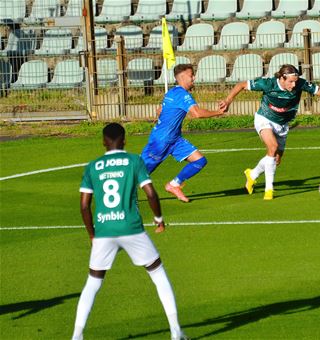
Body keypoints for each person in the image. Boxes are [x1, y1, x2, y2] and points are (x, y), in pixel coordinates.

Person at [72, 123, 187, 340]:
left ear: (104, 142)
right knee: (158, 274)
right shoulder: (134, 161)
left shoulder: (93, 166)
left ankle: (76, 336)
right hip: (132, 229)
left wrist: (91, 234)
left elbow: (85, 206)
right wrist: (159, 219)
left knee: (93, 283)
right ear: (124, 140)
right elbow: (151, 194)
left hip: (104, 231)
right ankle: (175, 332)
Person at [220, 64, 320, 200]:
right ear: (282, 78)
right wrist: (228, 101)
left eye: (295, 82)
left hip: (283, 125)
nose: (294, 85)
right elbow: (242, 85)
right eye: (290, 82)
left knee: (276, 160)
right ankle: (269, 190)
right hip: (264, 118)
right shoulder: (268, 84)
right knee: (273, 147)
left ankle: (252, 174)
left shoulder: (300, 84)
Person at [141, 63, 225, 203]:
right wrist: (218, 112)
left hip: (174, 139)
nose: (194, 78)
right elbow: (196, 114)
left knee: (199, 160)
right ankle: (119, 192)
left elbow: (161, 111)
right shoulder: (181, 94)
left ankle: (174, 185)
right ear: (182, 76)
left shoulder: (172, 92)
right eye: (191, 75)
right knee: (140, 174)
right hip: (161, 141)